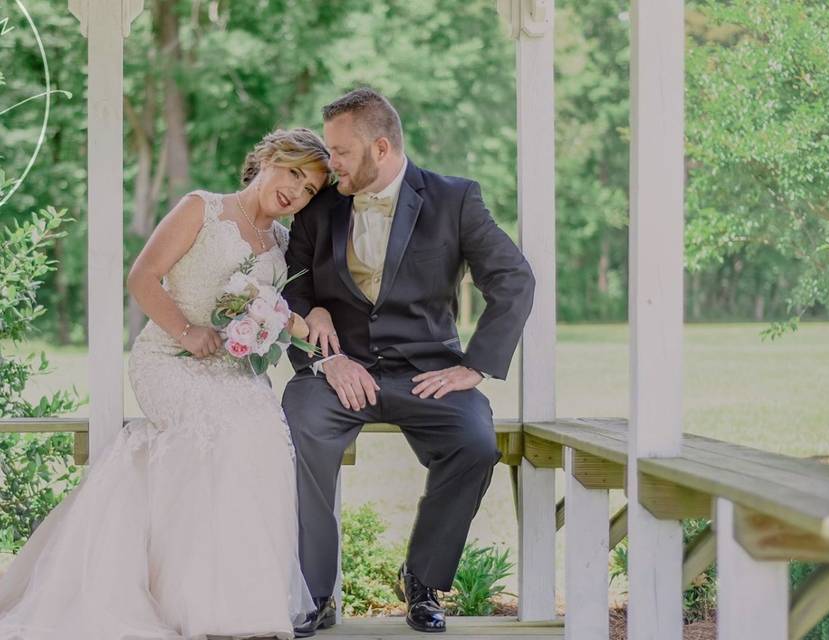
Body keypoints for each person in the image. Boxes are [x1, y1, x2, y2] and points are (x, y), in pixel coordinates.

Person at [0, 128, 331, 640]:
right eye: (294, 173)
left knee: (264, 433)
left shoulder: (285, 244)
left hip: (231, 368)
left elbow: (284, 313)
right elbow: (142, 276)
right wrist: (187, 330)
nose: (296, 192)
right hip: (169, 356)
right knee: (215, 431)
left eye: (309, 189)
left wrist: (269, 330)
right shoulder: (202, 208)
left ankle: (244, 605)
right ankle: (187, 605)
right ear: (267, 158)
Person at [282, 88, 535, 635]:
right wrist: (318, 338)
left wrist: (476, 365)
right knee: (298, 430)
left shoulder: (455, 199)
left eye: (341, 152)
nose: (331, 164)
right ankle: (315, 592)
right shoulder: (320, 205)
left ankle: (423, 582)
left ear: (380, 147)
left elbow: (513, 279)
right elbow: (289, 286)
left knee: (475, 444)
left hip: (427, 373)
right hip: (336, 372)